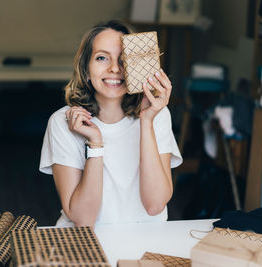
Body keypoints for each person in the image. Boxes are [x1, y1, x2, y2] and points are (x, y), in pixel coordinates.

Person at [39, 20, 182, 227]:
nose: (115, 68)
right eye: (102, 58)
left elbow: (155, 205)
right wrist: (95, 143)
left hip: (145, 240)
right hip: (84, 243)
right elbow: (83, 219)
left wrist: (147, 121)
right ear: (86, 69)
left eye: (123, 59)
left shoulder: (157, 115)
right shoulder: (63, 122)